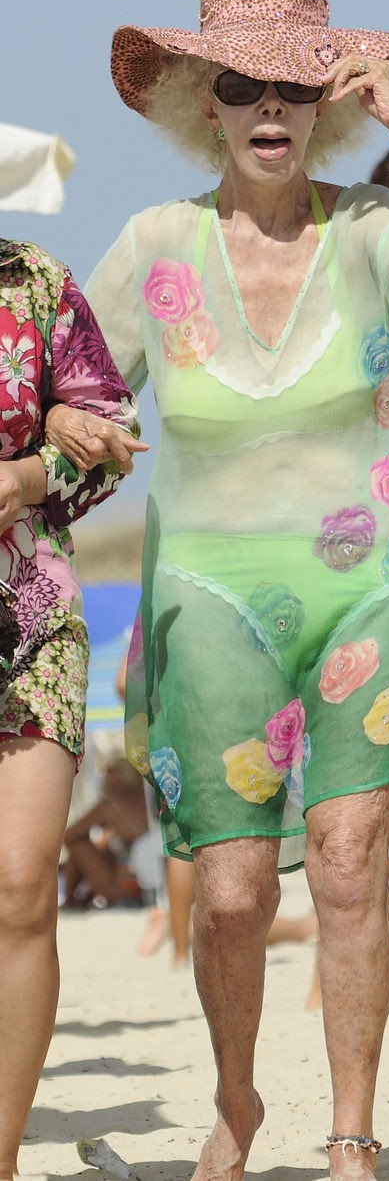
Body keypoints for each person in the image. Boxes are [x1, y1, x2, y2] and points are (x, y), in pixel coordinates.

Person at [46, 0, 389, 1181]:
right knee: (229, 888)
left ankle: (350, 1130)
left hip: (375, 584)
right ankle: (237, 1099)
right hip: (211, 594)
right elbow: (76, 390)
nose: (268, 109)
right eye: (240, 85)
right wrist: (76, 428)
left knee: (346, 862)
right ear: (203, 104)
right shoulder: (152, 245)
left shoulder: (383, 227)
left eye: (293, 86)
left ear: (329, 102)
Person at [0, 238, 142, 1181]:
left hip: (30, 616)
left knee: (20, 884)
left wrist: (29, 476)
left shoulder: (35, 281)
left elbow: (115, 436)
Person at [62, 752, 150, 907]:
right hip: (152, 889)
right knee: (107, 850)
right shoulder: (148, 800)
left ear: (121, 776)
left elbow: (68, 836)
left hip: (124, 891)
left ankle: (70, 902)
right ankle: (80, 898)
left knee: (78, 845)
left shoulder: (110, 806)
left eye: (109, 772)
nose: (103, 777)